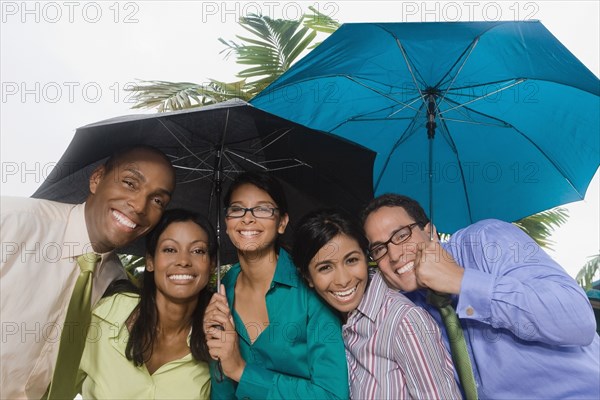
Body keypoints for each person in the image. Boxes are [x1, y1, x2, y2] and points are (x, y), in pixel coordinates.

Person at [362, 193, 600, 399]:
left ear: (430, 231)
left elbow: (578, 321)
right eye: (379, 249)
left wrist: (461, 281)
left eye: (402, 235)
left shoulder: (486, 241)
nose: (393, 255)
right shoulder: (407, 311)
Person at [0, 145, 176, 399]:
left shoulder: (117, 286)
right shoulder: (11, 223)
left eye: (158, 200)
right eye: (129, 183)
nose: (139, 206)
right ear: (97, 179)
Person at [203, 172, 348, 399]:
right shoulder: (223, 290)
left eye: (262, 209)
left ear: (282, 223)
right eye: (237, 209)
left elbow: (332, 394)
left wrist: (242, 371)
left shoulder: (310, 287)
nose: (248, 218)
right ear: (227, 221)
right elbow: (221, 385)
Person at [292, 209, 461, 399]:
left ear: (366, 258)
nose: (343, 279)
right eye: (325, 267)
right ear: (308, 277)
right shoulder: (325, 322)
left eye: (352, 260)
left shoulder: (404, 321)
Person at [76, 209, 215, 398]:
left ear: (212, 265)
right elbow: (52, 383)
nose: (183, 261)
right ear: (150, 261)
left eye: (198, 251)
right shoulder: (104, 314)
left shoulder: (217, 338)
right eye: (170, 249)